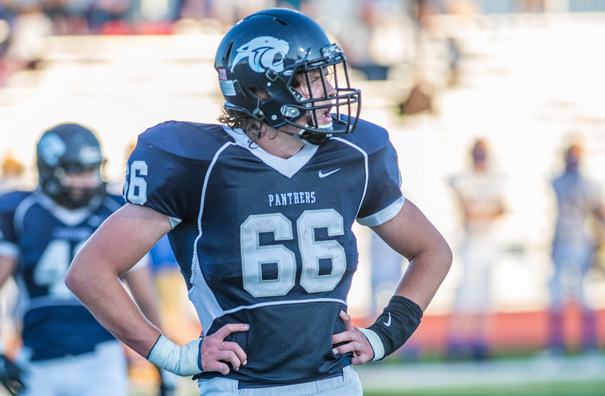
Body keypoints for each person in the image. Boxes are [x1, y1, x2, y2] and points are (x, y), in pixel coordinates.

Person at [66, 8, 452, 395]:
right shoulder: (198, 162)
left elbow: (432, 251)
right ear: (263, 91)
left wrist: (386, 334)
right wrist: (172, 356)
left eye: (327, 76)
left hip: (335, 384)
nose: (330, 91)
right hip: (242, 386)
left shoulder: (353, 154)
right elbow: (90, 272)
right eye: (313, 79)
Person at [0, 123, 175, 396]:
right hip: (38, 358)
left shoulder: (114, 210)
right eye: (77, 171)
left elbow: (145, 296)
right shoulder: (20, 212)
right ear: (49, 169)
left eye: (93, 169)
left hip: (101, 360)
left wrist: (162, 363)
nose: (90, 180)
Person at [445, 138, 505, 361]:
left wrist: (482, 211)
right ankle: (456, 343)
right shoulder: (464, 179)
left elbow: (503, 208)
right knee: (466, 295)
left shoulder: (493, 179)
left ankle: (481, 344)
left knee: (486, 297)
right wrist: (486, 211)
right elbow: (468, 212)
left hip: (489, 242)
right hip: (472, 242)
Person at [547, 142, 604, 356]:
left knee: (585, 296)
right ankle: (556, 346)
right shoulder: (558, 182)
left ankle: (589, 346)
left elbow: (600, 212)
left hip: (582, 243)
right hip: (563, 242)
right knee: (556, 296)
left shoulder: (589, 185)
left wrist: (599, 241)